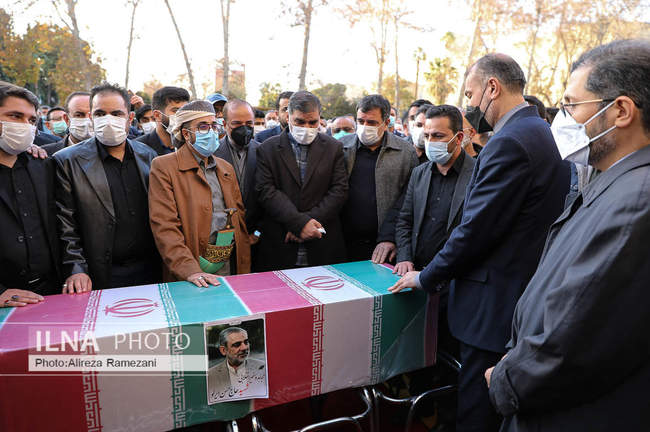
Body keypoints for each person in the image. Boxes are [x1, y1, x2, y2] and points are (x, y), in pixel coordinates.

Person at [389, 54, 570, 432]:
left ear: (492, 87)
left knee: (476, 411)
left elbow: (474, 231)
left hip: (490, 305)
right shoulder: (537, 131)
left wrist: (425, 277)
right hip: (515, 295)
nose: (469, 104)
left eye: (470, 94)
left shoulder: (509, 142)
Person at [486, 39, 650, 432]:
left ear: (621, 111)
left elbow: (573, 336)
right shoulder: (615, 181)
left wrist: (507, 380)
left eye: (572, 105)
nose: (564, 119)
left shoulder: (636, 202)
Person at [54, 82, 160, 292]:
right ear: (91, 117)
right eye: (100, 113)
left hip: (151, 268)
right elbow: (65, 222)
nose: (108, 120)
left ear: (130, 118)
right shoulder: (67, 161)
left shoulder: (148, 155)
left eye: (117, 113)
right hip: (101, 272)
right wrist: (76, 268)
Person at [149, 100, 250, 286]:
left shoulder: (225, 168)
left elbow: (239, 219)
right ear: (186, 134)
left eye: (214, 126)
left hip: (229, 263)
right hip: (193, 269)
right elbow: (165, 227)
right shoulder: (164, 167)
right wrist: (190, 270)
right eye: (203, 127)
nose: (211, 132)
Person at [255, 91, 347, 271]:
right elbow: (266, 191)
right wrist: (299, 224)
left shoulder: (333, 148)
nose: (306, 127)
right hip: (280, 244)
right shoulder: (267, 149)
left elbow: (339, 190)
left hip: (322, 243)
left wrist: (307, 225)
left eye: (312, 122)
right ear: (288, 117)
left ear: (320, 118)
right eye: (300, 122)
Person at [0, 83, 61, 303]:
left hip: (53, 292)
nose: (25, 125)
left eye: (32, 120)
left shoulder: (43, 165)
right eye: (15, 116)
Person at [339, 94, 418, 263]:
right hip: (343, 241)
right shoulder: (341, 147)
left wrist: (390, 236)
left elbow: (408, 200)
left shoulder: (405, 152)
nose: (365, 127)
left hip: (384, 245)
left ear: (386, 123)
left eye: (372, 122)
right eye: (361, 121)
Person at [214, 99, 263, 248]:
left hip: (255, 237)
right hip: (220, 238)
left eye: (249, 123)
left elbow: (269, 198)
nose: (244, 129)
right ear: (224, 124)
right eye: (237, 124)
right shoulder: (211, 154)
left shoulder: (264, 152)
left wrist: (258, 233)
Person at [207, 327, 267, 400]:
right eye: (237, 344)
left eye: (246, 342)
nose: (244, 348)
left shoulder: (263, 367)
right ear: (223, 350)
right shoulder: (211, 375)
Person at [136, 86, 190, 156]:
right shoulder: (138, 148)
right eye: (176, 111)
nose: (182, 115)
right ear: (157, 115)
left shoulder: (193, 144)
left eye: (185, 111)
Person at [41, 91, 92, 156]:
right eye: (78, 115)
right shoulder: (44, 154)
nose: (87, 121)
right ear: (67, 119)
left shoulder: (105, 152)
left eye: (92, 115)